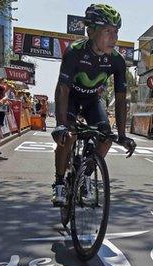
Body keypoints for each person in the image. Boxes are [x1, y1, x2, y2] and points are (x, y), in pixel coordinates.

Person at [51, 4, 136, 206]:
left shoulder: (117, 60)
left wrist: (122, 135)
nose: (114, 38)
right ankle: (59, 182)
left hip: (91, 101)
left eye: (116, 32)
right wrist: (61, 124)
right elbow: (62, 89)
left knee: (106, 138)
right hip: (70, 97)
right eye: (107, 31)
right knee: (68, 136)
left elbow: (121, 97)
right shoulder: (75, 52)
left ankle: (87, 175)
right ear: (91, 32)